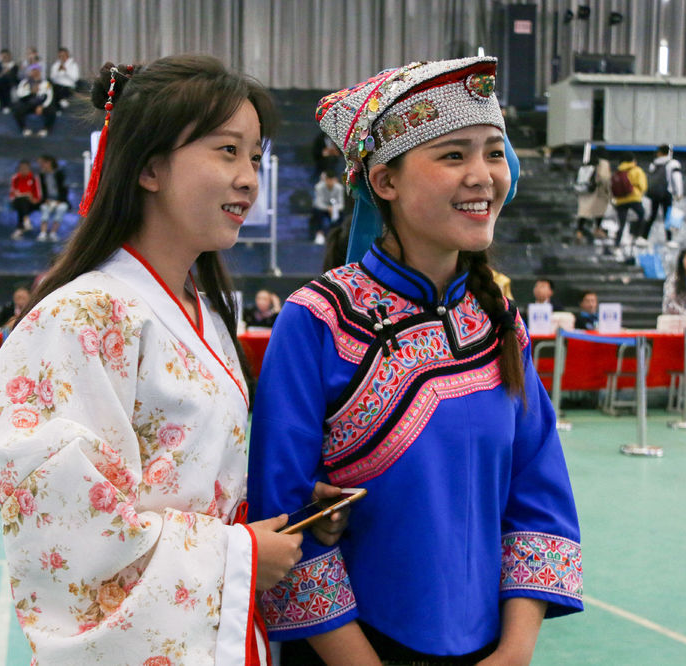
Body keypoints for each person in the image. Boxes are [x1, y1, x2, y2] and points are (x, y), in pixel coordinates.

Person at [0, 54, 327, 664]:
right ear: (148, 168)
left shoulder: (204, 311)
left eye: (255, 157)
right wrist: (240, 553)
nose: (249, 179)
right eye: (227, 151)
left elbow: (194, 479)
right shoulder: (81, 315)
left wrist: (287, 518)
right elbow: (68, 524)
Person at [248, 57, 582, 664]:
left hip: (488, 648)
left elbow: (538, 492)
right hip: (351, 649)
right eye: (453, 155)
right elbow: (284, 515)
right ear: (385, 182)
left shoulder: (500, 321)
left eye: (494, 153)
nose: (483, 176)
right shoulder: (319, 319)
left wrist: (513, 652)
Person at [645, 144, 684, 246]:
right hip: (667, 193)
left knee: (652, 215)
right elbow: (677, 178)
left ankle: (644, 237)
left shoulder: (653, 164)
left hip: (655, 193)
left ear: (659, 152)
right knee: (667, 216)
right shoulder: (673, 163)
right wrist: (679, 193)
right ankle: (669, 239)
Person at [611, 151, 647, 250]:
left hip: (620, 200)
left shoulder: (618, 171)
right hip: (634, 198)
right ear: (633, 160)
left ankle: (617, 244)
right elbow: (643, 186)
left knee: (621, 223)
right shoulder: (637, 170)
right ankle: (637, 236)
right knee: (641, 215)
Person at [574, 149, 611, 243]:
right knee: (599, 211)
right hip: (596, 192)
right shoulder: (604, 163)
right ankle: (597, 229)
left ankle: (579, 232)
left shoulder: (588, 162)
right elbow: (604, 178)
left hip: (584, 190)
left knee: (583, 213)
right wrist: (608, 191)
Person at [13, 64, 56, 137]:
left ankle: (45, 129)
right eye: (33, 70)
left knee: (52, 111)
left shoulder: (45, 83)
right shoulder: (24, 82)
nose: (35, 72)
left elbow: (49, 96)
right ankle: (24, 129)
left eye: (37, 71)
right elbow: (19, 94)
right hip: (28, 103)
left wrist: (42, 106)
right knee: (17, 109)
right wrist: (31, 92)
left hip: (41, 104)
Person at [36, 154, 68, 242]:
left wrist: (60, 200)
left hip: (59, 200)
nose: (41, 166)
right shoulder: (41, 176)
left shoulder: (59, 174)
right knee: (44, 209)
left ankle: (53, 232)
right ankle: (43, 232)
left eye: (43, 163)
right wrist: (44, 200)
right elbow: (40, 190)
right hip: (47, 200)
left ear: (49, 162)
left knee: (62, 208)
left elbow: (64, 189)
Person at [310, 169, 345, 245]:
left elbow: (341, 204)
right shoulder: (319, 187)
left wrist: (334, 209)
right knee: (316, 211)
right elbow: (318, 203)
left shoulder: (339, 188)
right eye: (328, 180)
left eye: (331, 180)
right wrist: (328, 208)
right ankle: (319, 234)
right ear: (325, 180)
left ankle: (337, 235)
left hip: (334, 209)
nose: (330, 182)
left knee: (341, 214)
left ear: (335, 180)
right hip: (323, 209)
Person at [9, 160, 40, 240]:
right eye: (21, 168)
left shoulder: (34, 178)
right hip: (18, 201)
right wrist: (22, 195)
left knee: (23, 203)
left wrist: (31, 197)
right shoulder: (15, 178)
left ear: (29, 169)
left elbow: (37, 194)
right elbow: (12, 194)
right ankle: (26, 221)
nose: (23, 170)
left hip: (31, 202)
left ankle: (20, 228)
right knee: (22, 201)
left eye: (25, 168)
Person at [0, 48, 18, 113]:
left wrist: (7, 73)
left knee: (4, 84)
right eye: (3, 57)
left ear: (9, 56)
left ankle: (6, 106)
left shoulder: (14, 65)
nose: (4, 58)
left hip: (10, 83)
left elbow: (14, 76)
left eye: (5, 56)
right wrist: (2, 73)